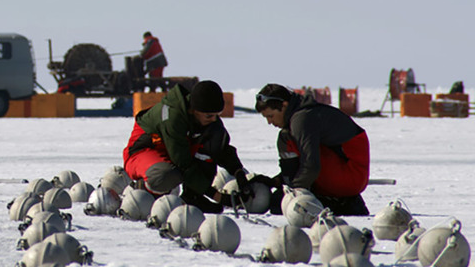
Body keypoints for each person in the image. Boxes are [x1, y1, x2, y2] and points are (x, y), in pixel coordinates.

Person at [122, 79, 250, 213]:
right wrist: (217, 196)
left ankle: (193, 197)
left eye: (217, 115)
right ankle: (144, 190)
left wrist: (238, 172)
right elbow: (183, 163)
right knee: (166, 176)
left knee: (214, 136)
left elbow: (221, 148)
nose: (214, 119)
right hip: (143, 151)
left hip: (175, 152)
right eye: (209, 115)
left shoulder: (207, 119)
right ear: (193, 110)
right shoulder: (173, 116)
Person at [255, 83, 370, 215]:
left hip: (349, 176)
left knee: (286, 139)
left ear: (284, 105)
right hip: (352, 177)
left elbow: (311, 165)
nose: (270, 122)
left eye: (271, 116)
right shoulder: (305, 113)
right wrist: (276, 181)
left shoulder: (301, 120)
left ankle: (333, 202)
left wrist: (292, 194)